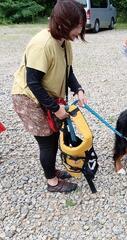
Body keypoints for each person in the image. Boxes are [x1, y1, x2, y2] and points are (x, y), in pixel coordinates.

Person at [12, 0, 87, 193]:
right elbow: (33, 82)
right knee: (47, 140)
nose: (80, 30)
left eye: (81, 25)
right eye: (77, 25)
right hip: (28, 98)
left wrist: (78, 89)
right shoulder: (42, 44)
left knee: (54, 135)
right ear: (64, 23)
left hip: (47, 96)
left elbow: (67, 71)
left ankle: (52, 170)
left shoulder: (64, 42)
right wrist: (55, 108)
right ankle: (52, 182)